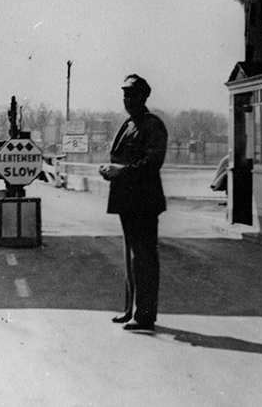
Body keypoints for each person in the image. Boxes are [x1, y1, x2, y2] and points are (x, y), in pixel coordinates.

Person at [99, 74, 168, 331]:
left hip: (144, 203)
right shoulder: (130, 124)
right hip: (128, 202)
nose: (128, 100)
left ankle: (145, 316)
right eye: (126, 95)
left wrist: (120, 170)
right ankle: (131, 310)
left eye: (133, 95)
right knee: (131, 259)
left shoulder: (152, 125)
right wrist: (111, 171)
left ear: (144, 97)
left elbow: (151, 164)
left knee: (144, 259)